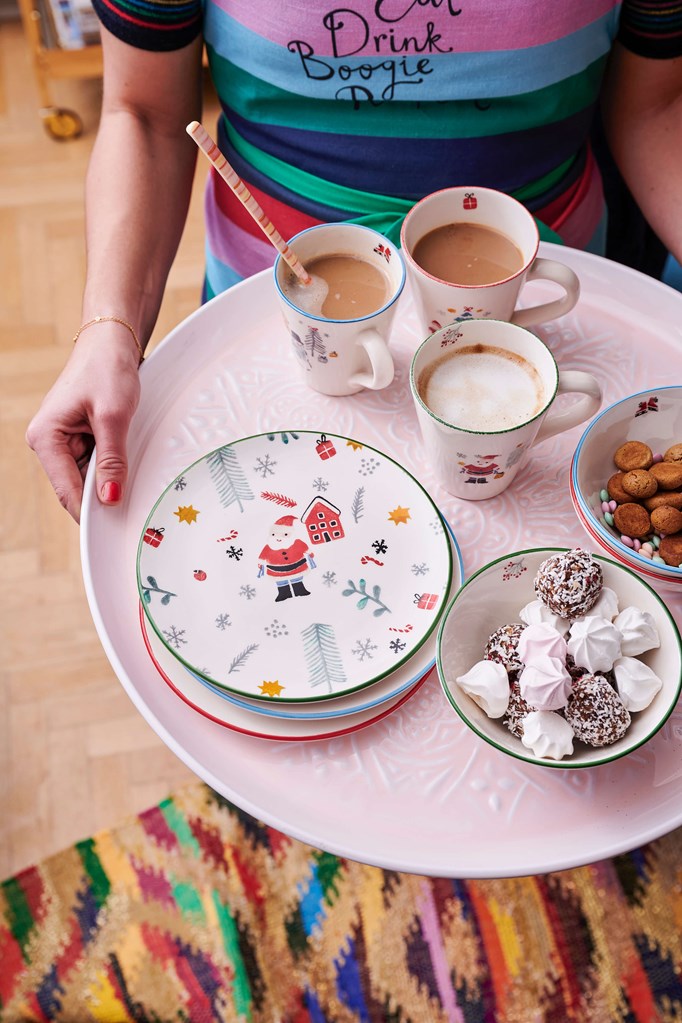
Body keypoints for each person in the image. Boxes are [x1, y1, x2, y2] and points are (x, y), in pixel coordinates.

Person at [26, 1, 682, 521]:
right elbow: (143, 112)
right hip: (281, 329)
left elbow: (657, 103)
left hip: (539, 311)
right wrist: (108, 329)